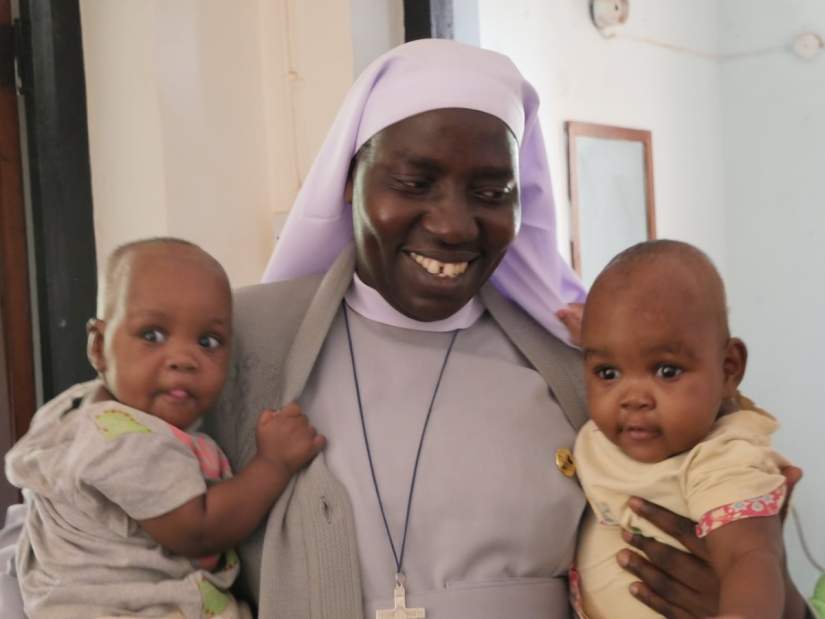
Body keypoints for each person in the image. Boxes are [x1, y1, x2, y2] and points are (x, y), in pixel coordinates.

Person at [0, 39, 811, 619]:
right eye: (413, 181)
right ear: (352, 180)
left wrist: (755, 598)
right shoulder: (236, 343)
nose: (453, 224)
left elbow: (737, 528)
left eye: (490, 190)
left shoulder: (585, 364)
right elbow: (73, 507)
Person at [4, 238, 325, 619]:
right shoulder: (124, 440)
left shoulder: (80, 408)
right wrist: (273, 463)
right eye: (152, 335)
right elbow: (199, 530)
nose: (184, 359)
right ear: (99, 347)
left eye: (208, 341)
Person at [572, 240, 790, 619]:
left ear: (728, 369)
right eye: (608, 373)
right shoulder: (601, 437)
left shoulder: (722, 457)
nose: (633, 397)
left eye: (666, 370)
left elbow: (750, 558)